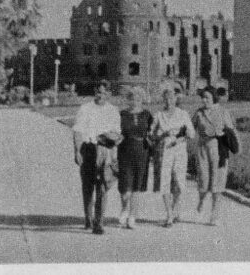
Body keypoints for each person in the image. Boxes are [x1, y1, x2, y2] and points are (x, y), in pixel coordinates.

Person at [72, 80, 121, 234]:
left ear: (109, 94)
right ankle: (88, 217)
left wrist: (111, 147)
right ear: (95, 92)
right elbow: (78, 131)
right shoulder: (85, 109)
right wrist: (77, 151)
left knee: (102, 187)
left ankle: (99, 223)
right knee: (88, 187)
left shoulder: (113, 110)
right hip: (88, 149)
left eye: (104, 92)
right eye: (99, 92)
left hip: (105, 151)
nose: (101, 95)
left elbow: (117, 133)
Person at [150, 87, 194, 228]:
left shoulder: (183, 114)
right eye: (166, 98)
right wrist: (161, 135)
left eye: (172, 98)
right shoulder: (159, 115)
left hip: (179, 150)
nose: (169, 101)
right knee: (165, 182)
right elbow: (151, 134)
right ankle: (169, 214)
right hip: (163, 151)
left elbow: (192, 133)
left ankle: (175, 209)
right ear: (163, 100)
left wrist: (183, 134)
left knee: (179, 183)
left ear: (176, 99)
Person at [192, 86, 236, 226]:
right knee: (203, 180)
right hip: (203, 149)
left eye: (207, 98)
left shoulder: (223, 112)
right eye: (203, 98)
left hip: (219, 149)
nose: (204, 100)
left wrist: (223, 134)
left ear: (214, 98)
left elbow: (231, 130)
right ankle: (201, 201)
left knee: (217, 182)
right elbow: (190, 129)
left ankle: (214, 215)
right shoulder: (199, 113)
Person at [117, 86, 153, 229]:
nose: (135, 101)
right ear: (128, 99)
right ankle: (125, 208)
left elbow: (153, 131)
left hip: (142, 151)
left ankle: (132, 216)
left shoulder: (147, 115)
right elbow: (116, 130)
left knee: (137, 186)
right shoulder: (122, 114)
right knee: (125, 187)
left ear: (142, 99)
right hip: (125, 150)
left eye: (138, 98)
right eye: (132, 98)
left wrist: (152, 140)